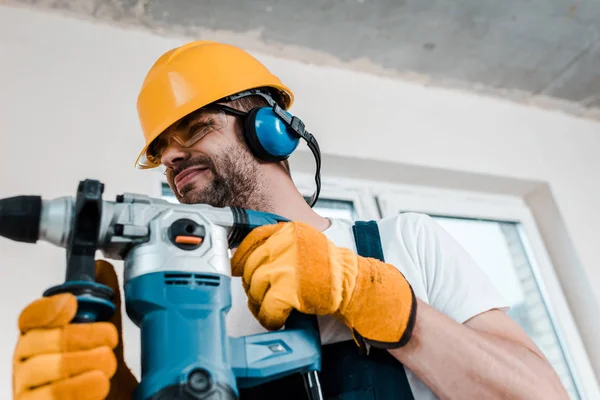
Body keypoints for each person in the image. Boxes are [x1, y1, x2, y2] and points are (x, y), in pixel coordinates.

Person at [12, 40, 569, 400]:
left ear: (269, 129)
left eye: (194, 129)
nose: (172, 158)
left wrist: (386, 305)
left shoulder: (405, 242)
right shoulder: (192, 302)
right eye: (161, 151)